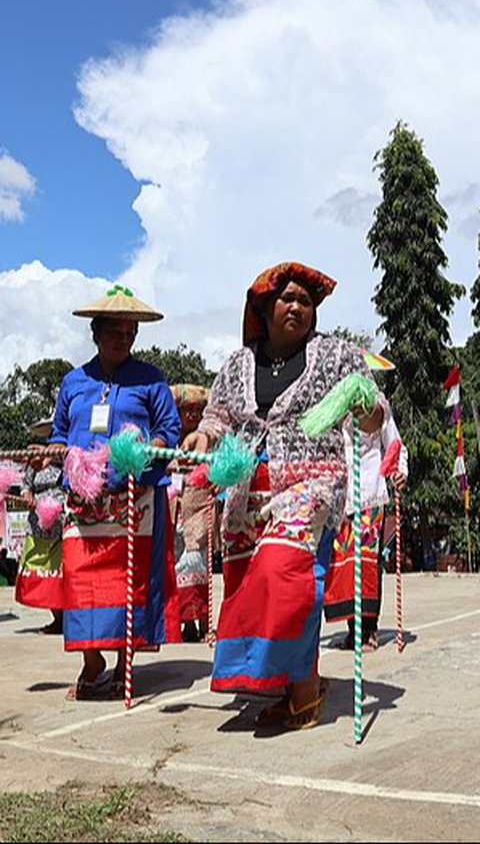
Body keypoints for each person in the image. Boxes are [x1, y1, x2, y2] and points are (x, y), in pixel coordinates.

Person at [182, 261, 384, 730]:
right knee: (248, 583)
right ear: (263, 307)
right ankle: (287, 679)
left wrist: (365, 405)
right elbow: (217, 418)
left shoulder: (339, 357)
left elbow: (374, 418)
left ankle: (305, 688)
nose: (297, 306)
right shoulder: (238, 364)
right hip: (246, 488)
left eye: (306, 301)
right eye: (287, 298)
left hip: (311, 481)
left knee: (284, 572)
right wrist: (204, 440)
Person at [48, 285, 182, 700]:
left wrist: (147, 450)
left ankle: (126, 665)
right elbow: (58, 433)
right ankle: (92, 662)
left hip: (134, 498)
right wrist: (55, 450)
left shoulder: (151, 380)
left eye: (130, 332)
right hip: (84, 502)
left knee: (131, 582)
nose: (123, 338)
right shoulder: (73, 381)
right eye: (115, 331)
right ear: (96, 332)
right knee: (82, 580)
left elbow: (170, 432)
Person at [323, 407, 408, 651]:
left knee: (365, 562)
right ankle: (353, 632)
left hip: (369, 491)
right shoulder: (333, 404)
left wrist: (399, 471)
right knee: (342, 563)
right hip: (339, 495)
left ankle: (369, 629)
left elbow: (395, 445)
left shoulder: (377, 405)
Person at [170, 384, 215, 643]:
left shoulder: (208, 440)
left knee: (197, 563)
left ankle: (204, 621)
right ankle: (185, 622)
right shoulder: (168, 441)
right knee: (178, 567)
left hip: (199, 510)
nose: (193, 416)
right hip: (175, 510)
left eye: (198, 411)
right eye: (188, 410)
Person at [15, 416, 64, 634]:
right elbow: (25, 485)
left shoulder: (66, 457)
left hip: (61, 523)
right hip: (37, 525)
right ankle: (56, 617)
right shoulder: (35, 460)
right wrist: (28, 497)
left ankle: (64, 619)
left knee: (60, 572)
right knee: (38, 569)